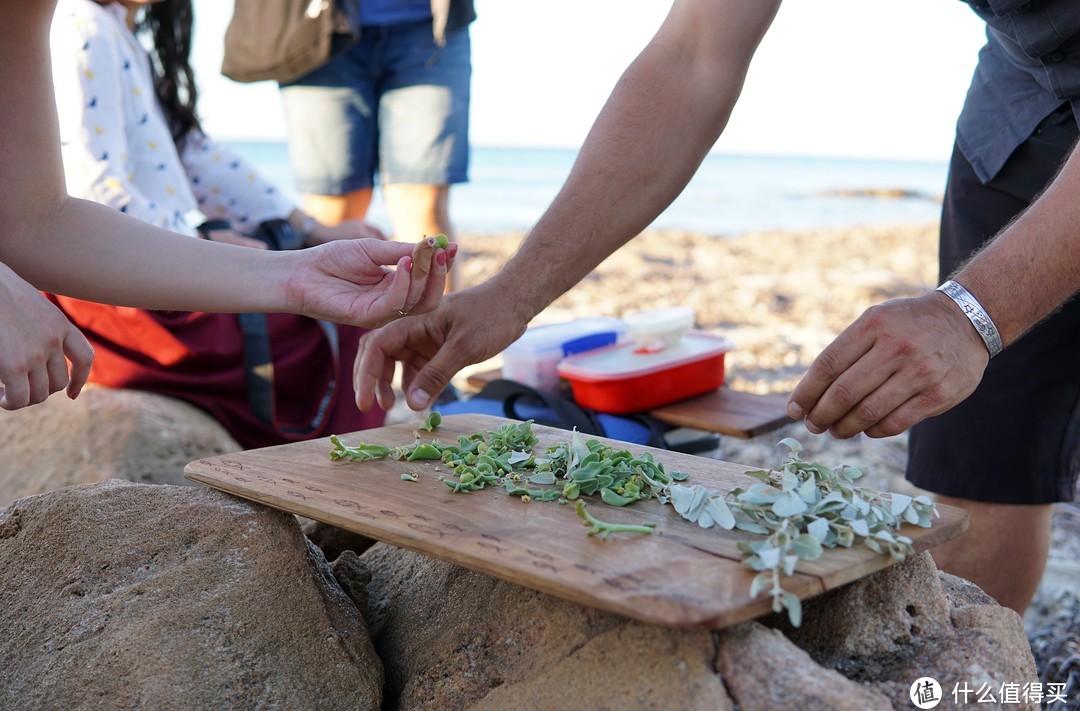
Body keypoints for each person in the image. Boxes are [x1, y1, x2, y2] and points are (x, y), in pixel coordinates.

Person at [352, 0, 1080, 615]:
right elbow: (690, 58)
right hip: (1025, 96)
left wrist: (970, 313)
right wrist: (509, 296)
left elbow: (970, 319)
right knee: (981, 453)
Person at [0, 0, 452, 413]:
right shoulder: (84, 28)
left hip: (132, 261)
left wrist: (307, 246)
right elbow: (94, 185)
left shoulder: (111, 30)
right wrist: (201, 234)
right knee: (323, 346)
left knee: (336, 325)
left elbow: (195, 159)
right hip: (126, 301)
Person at [270, 0, 475, 291]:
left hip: (429, 25)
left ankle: (429, 333)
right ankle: (337, 337)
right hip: (314, 25)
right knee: (332, 212)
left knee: (423, 207)